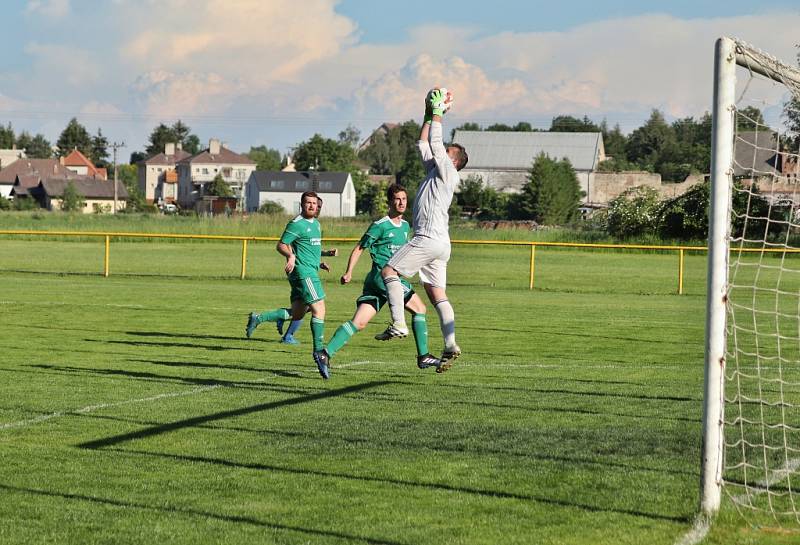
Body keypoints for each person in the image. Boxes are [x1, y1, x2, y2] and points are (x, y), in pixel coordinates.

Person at [378, 88, 468, 373]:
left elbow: (437, 143)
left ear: (453, 161)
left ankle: (399, 324)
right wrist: (429, 114)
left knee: (389, 272)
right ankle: (450, 343)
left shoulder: (448, 171)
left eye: (449, 152)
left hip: (428, 238)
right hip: (441, 243)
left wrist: (439, 112)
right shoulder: (436, 169)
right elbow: (423, 143)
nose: (444, 151)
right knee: (437, 294)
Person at [319, 184, 440, 373]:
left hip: (380, 281)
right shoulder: (380, 225)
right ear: (390, 201)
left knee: (359, 322)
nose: (401, 203)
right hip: (383, 277)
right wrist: (349, 272)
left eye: (404, 199)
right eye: (397, 199)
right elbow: (360, 248)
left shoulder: (406, 225)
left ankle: (325, 353)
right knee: (420, 308)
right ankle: (423, 355)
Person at [245, 191, 333, 379]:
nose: (311, 206)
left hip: (309, 270)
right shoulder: (296, 223)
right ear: (302, 205)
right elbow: (281, 245)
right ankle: (319, 352)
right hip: (303, 274)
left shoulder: (316, 224)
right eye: (308, 203)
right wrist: (290, 255)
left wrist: (321, 260)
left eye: (314, 203)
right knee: (319, 309)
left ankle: (258, 318)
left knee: (298, 313)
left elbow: (308, 249)